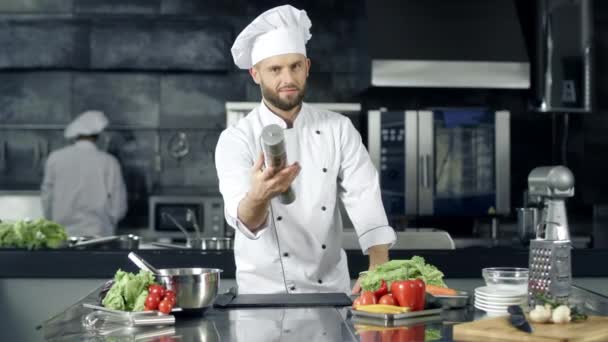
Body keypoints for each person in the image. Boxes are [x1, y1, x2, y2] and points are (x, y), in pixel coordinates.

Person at [215, 5, 396, 295]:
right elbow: (245, 221)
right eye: (275, 69)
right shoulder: (236, 139)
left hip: (331, 292)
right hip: (262, 296)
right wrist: (259, 195)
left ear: (307, 67)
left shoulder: (339, 128)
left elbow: (365, 197)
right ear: (255, 73)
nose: (288, 79)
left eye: (295, 66)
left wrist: (378, 266)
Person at [41, 110, 127, 237]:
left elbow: (47, 198)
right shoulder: (109, 161)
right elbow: (118, 205)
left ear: (76, 136)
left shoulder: (55, 158)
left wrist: (51, 221)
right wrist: (110, 222)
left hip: (62, 235)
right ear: (99, 135)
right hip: (98, 234)